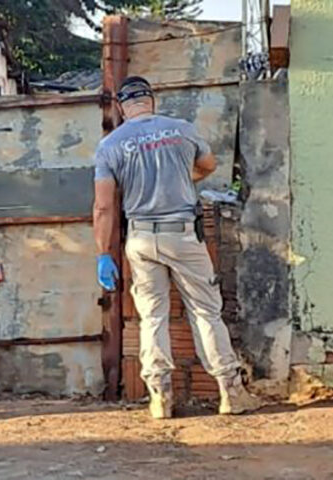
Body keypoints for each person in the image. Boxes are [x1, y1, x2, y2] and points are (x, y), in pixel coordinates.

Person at [93, 76, 262, 419]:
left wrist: (103, 254)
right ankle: (231, 393)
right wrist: (183, 179)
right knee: (205, 311)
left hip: (140, 239)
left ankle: (160, 398)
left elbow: (104, 206)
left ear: (122, 107)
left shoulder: (110, 145)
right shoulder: (182, 130)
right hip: (184, 235)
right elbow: (209, 166)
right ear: (151, 101)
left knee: (152, 316)